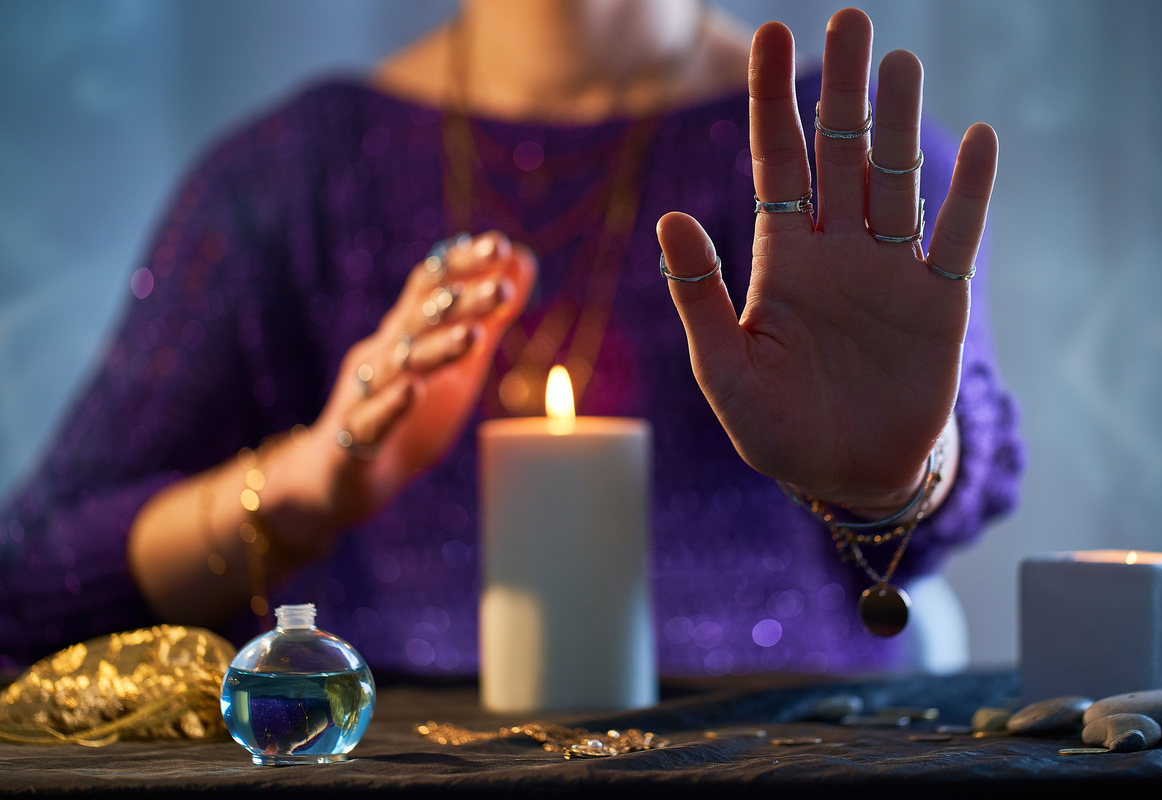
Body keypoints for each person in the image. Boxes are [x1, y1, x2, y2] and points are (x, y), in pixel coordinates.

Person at [0, 2, 1022, 678]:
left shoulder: (822, 160)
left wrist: (895, 474)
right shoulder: (296, 174)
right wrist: (304, 486)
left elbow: (936, 496)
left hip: (784, 745)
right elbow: (32, 578)